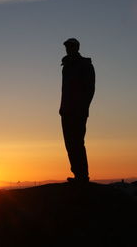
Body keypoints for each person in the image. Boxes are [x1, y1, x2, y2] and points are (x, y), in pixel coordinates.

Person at [60, 38, 95, 183]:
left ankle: (82, 176)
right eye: (67, 47)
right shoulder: (66, 65)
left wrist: (83, 107)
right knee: (69, 143)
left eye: (71, 46)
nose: (68, 49)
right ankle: (77, 174)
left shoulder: (85, 65)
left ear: (77, 47)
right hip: (66, 110)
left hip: (78, 111)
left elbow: (90, 89)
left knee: (77, 142)